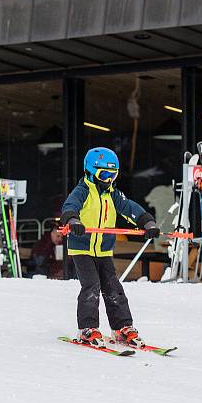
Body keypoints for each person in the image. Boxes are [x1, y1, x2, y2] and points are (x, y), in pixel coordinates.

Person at [60, 147, 159, 349]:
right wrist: (73, 220)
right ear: (91, 171)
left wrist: (147, 223)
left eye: (112, 175)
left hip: (103, 249)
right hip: (82, 248)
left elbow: (130, 208)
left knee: (113, 287)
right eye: (104, 174)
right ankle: (88, 329)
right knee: (92, 286)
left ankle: (123, 327)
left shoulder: (112, 194)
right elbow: (70, 206)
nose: (108, 180)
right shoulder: (83, 191)